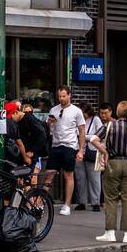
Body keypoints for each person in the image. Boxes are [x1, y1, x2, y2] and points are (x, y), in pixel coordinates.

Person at [93, 100, 127, 244]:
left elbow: (94, 139)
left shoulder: (109, 125)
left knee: (110, 198)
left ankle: (110, 232)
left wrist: (105, 151)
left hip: (112, 163)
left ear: (117, 113)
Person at [47, 85, 86, 216]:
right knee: (49, 174)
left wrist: (81, 150)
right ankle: (40, 202)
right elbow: (51, 130)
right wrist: (50, 123)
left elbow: (81, 131)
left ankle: (67, 205)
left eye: (64, 96)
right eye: (60, 96)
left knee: (68, 175)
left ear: (69, 95)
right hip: (56, 145)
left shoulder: (76, 111)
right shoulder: (54, 109)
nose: (62, 99)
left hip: (70, 146)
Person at [74, 103, 104, 212]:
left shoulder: (95, 120)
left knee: (94, 179)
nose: (84, 115)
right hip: (79, 151)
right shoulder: (77, 120)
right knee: (80, 178)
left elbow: (100, 135)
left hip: (92, 151)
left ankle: (95, 202)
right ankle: (82, 201)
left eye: (85, 113)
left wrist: (84, 137)